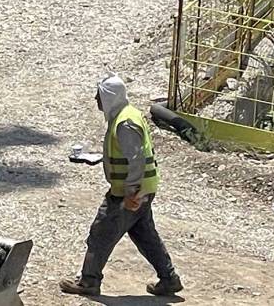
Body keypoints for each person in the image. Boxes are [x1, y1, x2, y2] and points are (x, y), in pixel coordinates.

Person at [60, 75, 183, 296]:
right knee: (145, 234)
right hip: (141, 187)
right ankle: (169, 279)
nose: (96, 99)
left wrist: (131, 192)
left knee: (101, 232)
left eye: (99, 95)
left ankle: (89, 281)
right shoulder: (126, 115)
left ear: (109, 97)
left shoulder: (125, 123)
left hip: (130, 190)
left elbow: (134, 158)